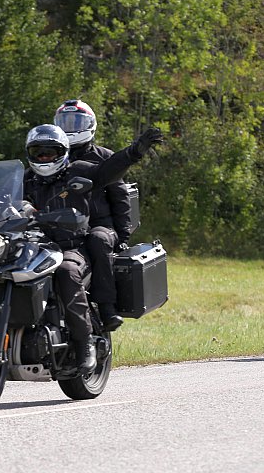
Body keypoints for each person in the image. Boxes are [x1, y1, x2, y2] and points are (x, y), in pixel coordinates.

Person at [23, 123, 163, 373]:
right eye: (38, 153)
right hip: (35, 247)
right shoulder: (26, 178)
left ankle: (85, 341)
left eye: (50, 152)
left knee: (67, 272)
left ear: (62, 152)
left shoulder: (77, 170)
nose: (44, 158)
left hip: (72, 247)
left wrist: (134, 152)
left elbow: (106, 171)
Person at [53, 99, 131, 332]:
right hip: (63, 225)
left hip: (100, 225)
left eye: (76, 121)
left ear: (90, 124)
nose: (70, 127)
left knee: (98, 240)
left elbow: (121, 198)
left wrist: (123, 235)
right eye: (65, 122)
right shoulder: (53, 156)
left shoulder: (105, 157)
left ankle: (107, 307)